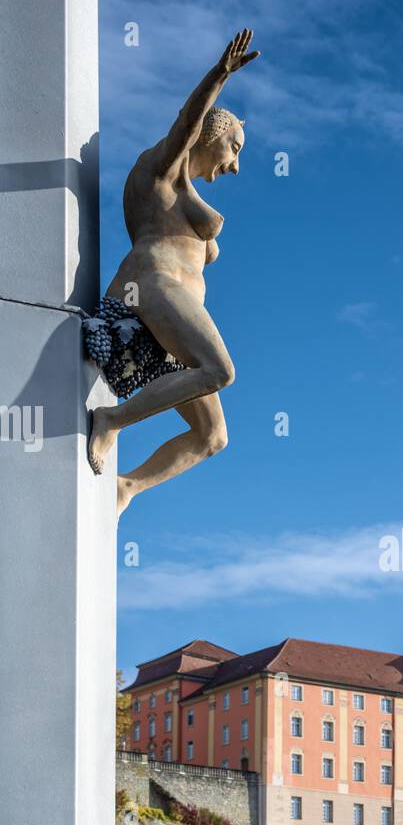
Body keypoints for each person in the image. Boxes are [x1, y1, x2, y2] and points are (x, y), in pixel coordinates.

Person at [86, 29, 260, 516]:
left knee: (213, 436)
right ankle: (112, 418)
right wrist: (219, 76)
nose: (235, 164)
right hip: (150, 286)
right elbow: (187, 122)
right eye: (235, 147)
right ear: (213, 134)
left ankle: (128, 487)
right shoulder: (161, 172)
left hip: (175, 315)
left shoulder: (188, 196)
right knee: (221, 370)